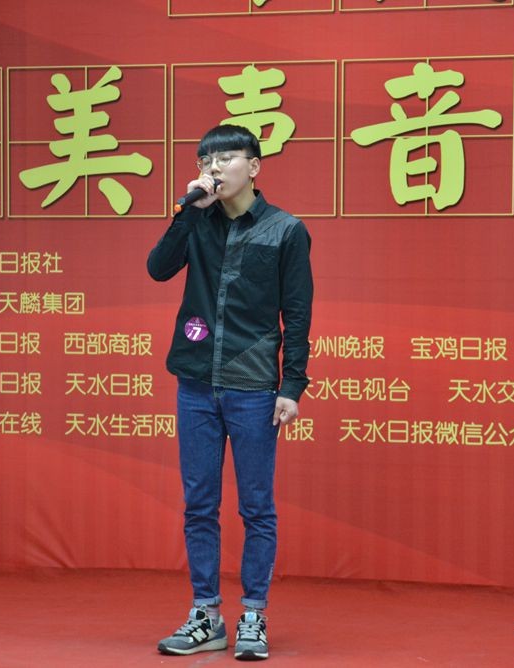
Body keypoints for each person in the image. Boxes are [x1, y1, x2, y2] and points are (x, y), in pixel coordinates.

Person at [147, 124, 313, 661]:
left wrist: (292, 385)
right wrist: (186, 212)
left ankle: (254, 616)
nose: (214, 167)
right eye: (206, 160)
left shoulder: (286, 230)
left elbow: (298, 315)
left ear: (254, 167)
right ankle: (206, 615)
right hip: (195, 383)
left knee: (257, 507)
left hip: (254, 389)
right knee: (199, 504)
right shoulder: (197, 220)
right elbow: (157, 269)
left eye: (226, 158)